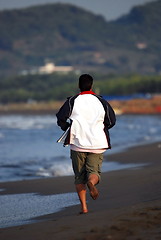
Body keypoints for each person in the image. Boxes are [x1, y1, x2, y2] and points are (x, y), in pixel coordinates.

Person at [56, 74, 116, 214]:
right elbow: (112, 121)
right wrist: (101, 128)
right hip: (98, 142)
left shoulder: (72, 101)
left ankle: (84, 207)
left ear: (79, 86)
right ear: (91, 85)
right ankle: (92, 182)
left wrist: (66, 127)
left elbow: (60, 117)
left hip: (77, 143)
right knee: (94, 172)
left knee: (79, 177)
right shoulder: (101, 101)